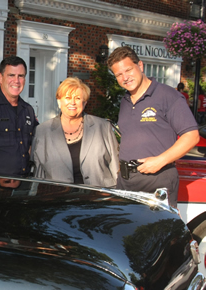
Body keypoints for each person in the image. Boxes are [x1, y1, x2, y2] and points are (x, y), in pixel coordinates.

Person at [107, 46, 199, 207]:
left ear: (140, 66)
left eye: (128, 70)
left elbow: (191, 136)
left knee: (156, 231)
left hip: (157, 181)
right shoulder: (125, 101)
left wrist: (159, 161)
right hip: (126, 182)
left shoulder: (169, 96)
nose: (125, 77)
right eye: (119, 75)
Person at [31, 77, 119, 187]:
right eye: (67, 98)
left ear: (84, 103)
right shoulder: (42, 131)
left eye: (77, 98)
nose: (72, 102)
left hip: (98, 199)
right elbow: (38, 172)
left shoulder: (102, 127)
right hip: (59, 198)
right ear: (59, 101)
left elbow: (116, 167)